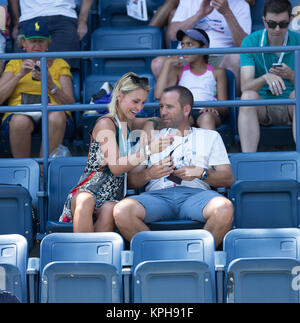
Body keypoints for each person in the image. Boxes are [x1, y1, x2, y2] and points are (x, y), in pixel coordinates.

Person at [113, 85, 234, 247]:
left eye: (169, 107)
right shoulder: (150, 137)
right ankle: (161, 257)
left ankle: (198, 258)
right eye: (161, 107)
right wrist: (149, 174)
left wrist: (201, 173)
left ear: (186, 110)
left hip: (196, 196)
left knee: (224, 208)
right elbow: (130, 182)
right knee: (122, 211)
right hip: (157, 197)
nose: (163, 112)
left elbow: (228, 179)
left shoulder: (210, 136)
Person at [59, 72, 173, 233]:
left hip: (113, 195)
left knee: (110, 209)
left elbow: (156, 121)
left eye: (142, 103)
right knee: (85, 200)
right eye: (135, 101)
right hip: (90, 189)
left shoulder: (127, 122)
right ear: (119, 96)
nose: (139, 108)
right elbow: (116, 167)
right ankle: (82, 255)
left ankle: (96, 256)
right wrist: (148, 150)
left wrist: (148, 127)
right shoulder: (106, 123)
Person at [0, 18, 75, 158]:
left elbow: (69, 104)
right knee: (19, 121)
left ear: (48, 42)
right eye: (32, 40)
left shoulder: (59, 63)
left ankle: (43, 171)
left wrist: (50, 83)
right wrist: (19, 75)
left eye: (41, 40)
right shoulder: (15, 63)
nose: (37, 45)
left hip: (53, 111)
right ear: (23, 42)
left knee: (57, 116)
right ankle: (25, 170)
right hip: (20, 111)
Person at [151, 0, 252, 94]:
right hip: (187, 56)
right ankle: (173, 105)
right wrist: (200, 14)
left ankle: (226, 105)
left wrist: (227, 13)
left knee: (237, 58)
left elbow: (244, 44)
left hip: (220, 58)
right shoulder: (188, 1)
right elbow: (173, 34)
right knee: (158, 63)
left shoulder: (241, 4)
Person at [238, 0, 300, 152]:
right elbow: (245, 86)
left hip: (292, 104)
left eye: (283, 24)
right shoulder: (250, 41)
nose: (277, 29)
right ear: (264, 21)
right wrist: (264, 78)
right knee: (247, 97)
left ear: (291, 20)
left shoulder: (298, 41)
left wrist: (292, 75)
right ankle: (248, 160)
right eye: (272, 24)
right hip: (263, 106)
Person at [155, 27, 228, 130]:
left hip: (208, 112)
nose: (184, 49)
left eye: (190, 44)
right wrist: (167, 63)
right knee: (179, 120)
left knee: (206, 118)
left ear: (204, 49)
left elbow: (225, 108)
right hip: (185, 111)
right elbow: (159, 95)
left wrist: (213, 107)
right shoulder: (177, 70)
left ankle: (208, 146)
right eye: (182, 45)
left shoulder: (217, 72)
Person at [9, 0, 93, 70]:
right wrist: (16, 22)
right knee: (21, 68)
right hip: (29, 18)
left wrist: (82, 20)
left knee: (63, 69)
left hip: (64, 16)